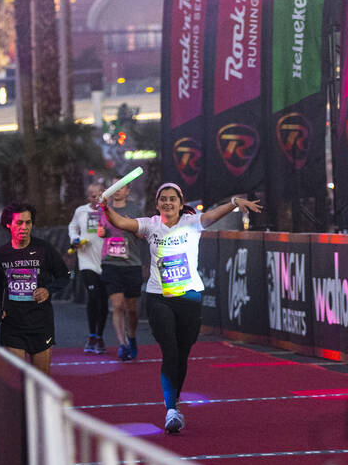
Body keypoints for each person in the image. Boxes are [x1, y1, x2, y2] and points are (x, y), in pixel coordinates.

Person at [100, 184, 262, 434]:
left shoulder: (192, 222)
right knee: (170, 351)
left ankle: (174, 402)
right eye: (162, 199)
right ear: (157, 204)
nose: (167, 203)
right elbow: (122, 222)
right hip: (159, 297)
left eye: (172, 199)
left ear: (180, 202)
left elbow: (212, 216)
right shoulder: (150, 224)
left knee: (183, 353)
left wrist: (234, 202)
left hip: (189, 296)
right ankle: (171, 409)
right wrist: (105, 208)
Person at [0, 202, 70, 375]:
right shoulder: (1, 255)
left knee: (41, 380)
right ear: (9, 224)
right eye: (19, 223)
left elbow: (64, 276)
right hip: (12, 324)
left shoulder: (44, 249)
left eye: (28, 222)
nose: (24, 227)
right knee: (16, 379)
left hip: (40, 323)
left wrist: (48, 290)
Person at [99, 175, 145, 361]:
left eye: (122, 186)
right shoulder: (104, 209)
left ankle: (131, 336)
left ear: (127, 190)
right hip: (110, 263)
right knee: (117, 305)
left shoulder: (135, 209)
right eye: (114, 185)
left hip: (132, 263)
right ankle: (122, 343)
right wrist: (102, 233)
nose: (117, 189)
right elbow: (101, 231)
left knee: (131, 308)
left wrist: (132, 226)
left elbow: (143, 234)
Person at [68, 181, 108, 354]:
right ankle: (91, 335)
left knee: (104, 301)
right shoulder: (81, 211)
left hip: (107, 261)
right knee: (93, 296)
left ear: (104, 194)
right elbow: (72, 226)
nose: (95, 197)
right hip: (86, 261)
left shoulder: (108, 211)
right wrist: (74, 238)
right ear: (87, 196)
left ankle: (99, 336)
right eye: (92, 194)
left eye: (98, 194)